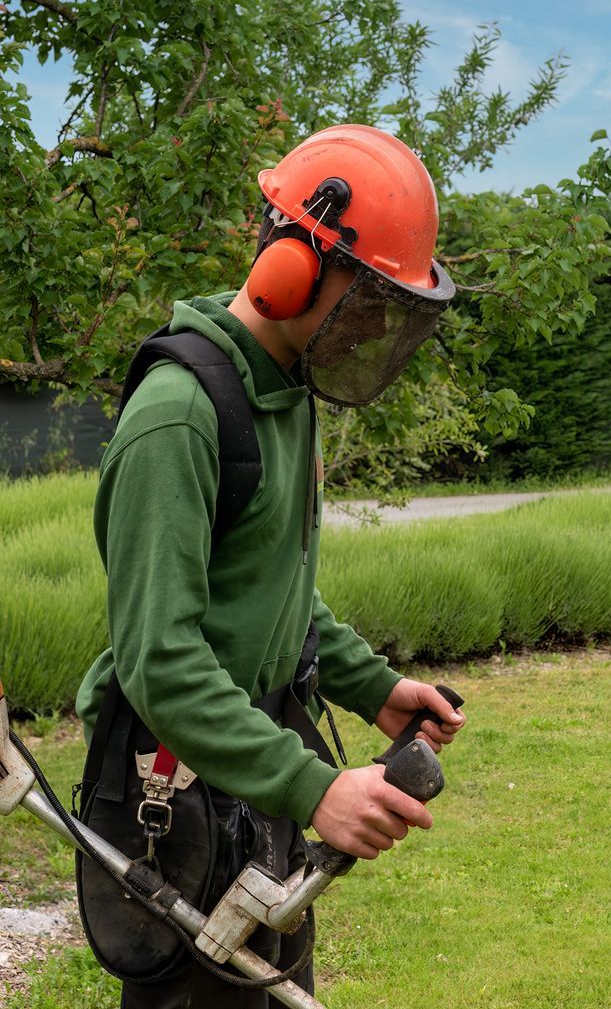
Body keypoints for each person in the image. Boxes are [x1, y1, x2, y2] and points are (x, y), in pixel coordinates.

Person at [74, 124, 467, 1007]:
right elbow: (159, 662)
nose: (372, 327)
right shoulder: (179, 415)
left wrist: (371, 687)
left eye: (389, 310)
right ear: (292, 263)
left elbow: (274, 581)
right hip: (178, 795)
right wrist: (316, 786)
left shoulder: (286, 390)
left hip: (256, 771)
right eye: (365, 300)